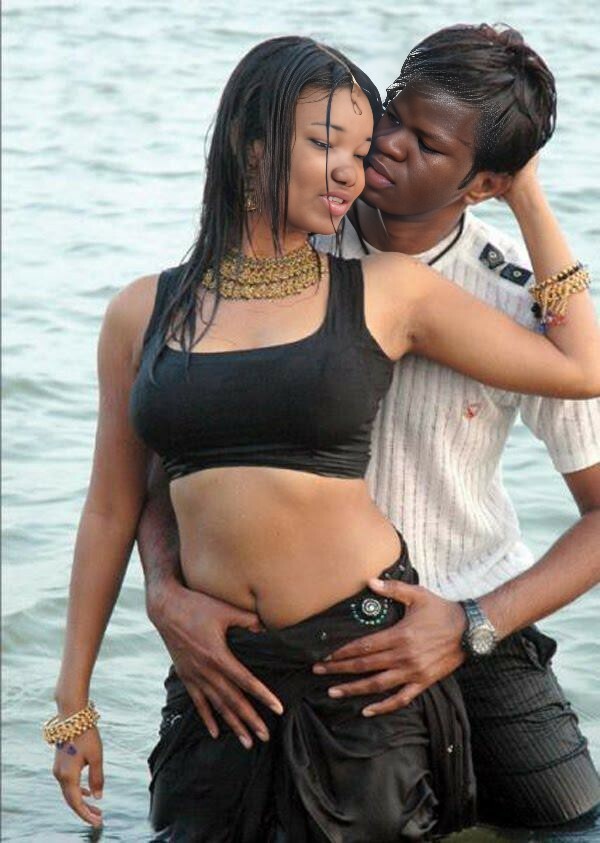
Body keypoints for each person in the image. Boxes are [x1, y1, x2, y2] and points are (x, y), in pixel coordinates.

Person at [48, 35, 600, 841]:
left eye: (399, 144)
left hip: (425, 624)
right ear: (254, 142)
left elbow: (583, 370)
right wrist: (140, 619)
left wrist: (528, 195)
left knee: (568, 818)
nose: (366, 162)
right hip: (238, 657)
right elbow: (134, 492)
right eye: (357, 133)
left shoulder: (459, 289)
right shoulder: (196, 288)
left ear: (481, 182)